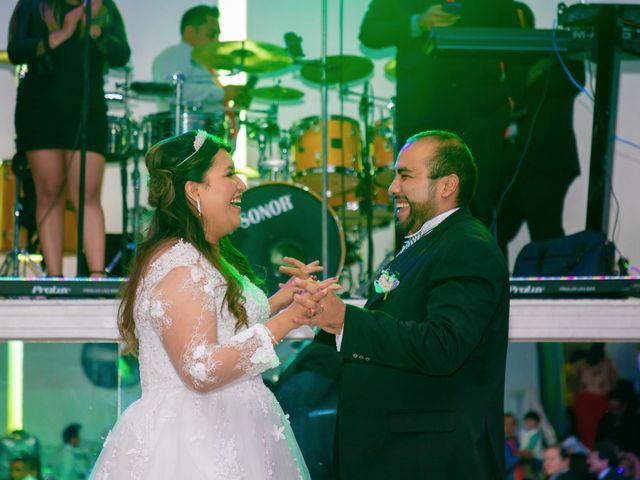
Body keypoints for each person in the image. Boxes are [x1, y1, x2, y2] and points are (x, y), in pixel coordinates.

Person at [89, 130, 334, 479]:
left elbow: (224, 323)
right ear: (194, 190)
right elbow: (201, 369)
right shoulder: (181, 268)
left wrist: (285, 299)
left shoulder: (203, 256)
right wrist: (290, 320)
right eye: (230, 174)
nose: (242, 186)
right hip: (194, 443)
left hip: (236, 428)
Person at [293, 130, 511, 478]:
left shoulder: (468, 247)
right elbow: (392, 331)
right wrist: (322, 315)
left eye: (405, 176)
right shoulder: (425, 245)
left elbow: (443, 345)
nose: (392, 188)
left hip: (431, 461)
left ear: (447, 185)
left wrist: (345, 319)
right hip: (396, 456)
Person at [359, 0, 520, 227]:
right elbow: (370, 32)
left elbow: (515, 39)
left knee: (478, 206)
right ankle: (416, 262)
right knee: (414, 204)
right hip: (422, 114)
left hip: (481, 111)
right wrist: (418, 23)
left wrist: (512, 97)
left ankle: (473, 260)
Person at [7, 0, 131, 277]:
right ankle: (54, 277)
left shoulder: (103, 6)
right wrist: (62, 33)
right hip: (40, 110)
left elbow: (122, 54)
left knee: (86, 194)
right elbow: (16, 50)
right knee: (48, 193)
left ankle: (96, 275)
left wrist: (95, 30)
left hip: (86, 109)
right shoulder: (31, 6)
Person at [496, 1, 584, 257]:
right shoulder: (497, 65)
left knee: (546, 236)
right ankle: (496, 292)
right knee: (491, 234)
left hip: (545, 163)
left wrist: (526, 75)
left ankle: (555, 292)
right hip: (509, 165)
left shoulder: (552, 56)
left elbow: (575, 79)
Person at [152, 5, 244, 111]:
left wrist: (235, 108)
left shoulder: (203, 64)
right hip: (181, 126)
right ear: (190, 32)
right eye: (211, 34)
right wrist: (222, 93)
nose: (216, 41)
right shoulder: (174, 54)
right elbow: (175, 91)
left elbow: (206, 107)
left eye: (218, 36)